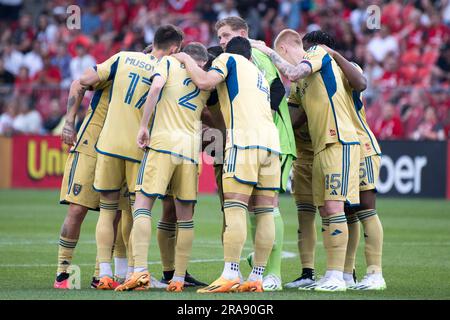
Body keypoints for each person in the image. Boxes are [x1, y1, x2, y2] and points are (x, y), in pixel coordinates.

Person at [252, 29, 360, 292]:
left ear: (287, 49)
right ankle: (330, 274)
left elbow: (293, 72)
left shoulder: (317, 53)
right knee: (326, 210)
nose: (279, 59)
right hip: (321, 145)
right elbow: (295, 115)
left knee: (335, 208)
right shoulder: (303, 83)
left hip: (339, 140)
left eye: (279, 54)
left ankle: (338, 275)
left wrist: (266, 51)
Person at [79, 25, 184, 290]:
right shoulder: (166, 69)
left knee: (107, 210)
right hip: (140, 148)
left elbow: (85, 79)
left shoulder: (122, 57)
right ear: (173, 49)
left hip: (108, 144)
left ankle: (104, 274)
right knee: (139, 211)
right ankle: (137, 272)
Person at [174, 36, 281, 293]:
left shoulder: (227, 59)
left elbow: (204, 81)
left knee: (234, 207)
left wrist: (186, 58)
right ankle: (256, 276)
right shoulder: (258, 74)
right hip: (271, 145)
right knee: (265, 211)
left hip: (244, 142)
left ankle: (231, 272)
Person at [116, 42, 211, 292]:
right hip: (190, 150)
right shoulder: (205, 79)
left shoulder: (168, 63)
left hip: (162, 143)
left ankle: (140, 272)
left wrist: (144, 125)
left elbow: (156, 86)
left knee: (143, 205)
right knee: (185, 217)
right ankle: (178, 279)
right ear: (201, 62)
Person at [213, 16, 297, 291]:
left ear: (243, 33)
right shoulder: (241, 57)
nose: (222, 42)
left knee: (268, 208)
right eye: (220, 37)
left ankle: (272, 273)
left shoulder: (253, 55)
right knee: (254, 208)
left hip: (272, 139)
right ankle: (258, 268)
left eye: (226, 35)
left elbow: (276, 89)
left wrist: (261, 123)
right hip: (264, 140)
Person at [301, 30, 386, 290]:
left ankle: (375, 273)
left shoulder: (344, 67)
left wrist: (334, 55)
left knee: (365, 209)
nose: (306, 54)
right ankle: (346, 274)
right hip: (340, 148)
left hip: (360, 143)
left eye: (309, 49)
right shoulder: (308, 80)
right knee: (346, 211)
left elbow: (361, 83)